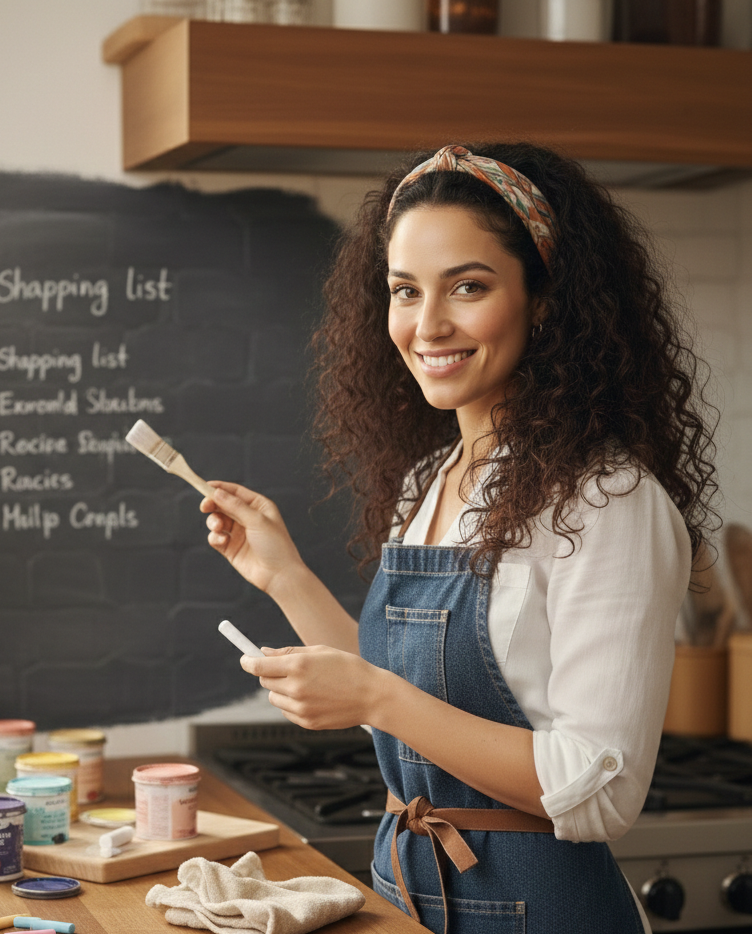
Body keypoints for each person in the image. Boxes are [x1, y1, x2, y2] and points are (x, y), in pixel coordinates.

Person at [199, 143, 717, 933]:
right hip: (406, 891)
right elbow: (402, 709)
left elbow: (599, 790)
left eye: (467, 287)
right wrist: (284, 577)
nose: (427, 324)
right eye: (404, 291)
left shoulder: (608, 499)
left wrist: (375, 695)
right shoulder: (430, 481)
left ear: (544, 300)